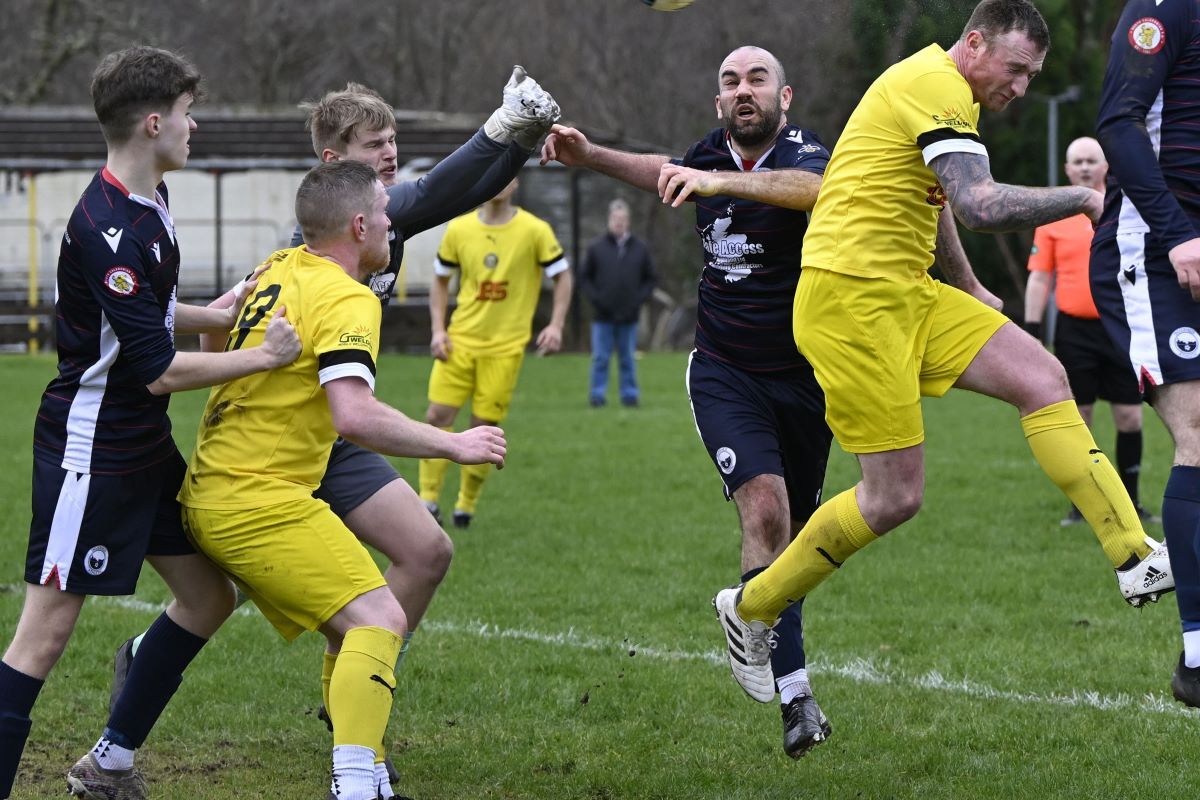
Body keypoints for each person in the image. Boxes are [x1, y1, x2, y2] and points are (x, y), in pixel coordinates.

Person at [710, 0, 1176, 707]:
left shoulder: (952, 96)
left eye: (1032, 75)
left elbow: (934, 203)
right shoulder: (935, 83)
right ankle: (752, 607)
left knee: (1042, 376)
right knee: (894, 497)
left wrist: (971, 287)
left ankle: (1134, 554)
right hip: (850, 303)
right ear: (976, 42)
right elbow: (979, 205)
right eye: (1017, 69)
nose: (1022, 86)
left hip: (907, 292)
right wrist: (1082, 196)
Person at [106, 70, 560, 794]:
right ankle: (329, 733)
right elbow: (434, 194)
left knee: (425, 551)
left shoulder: (358, 223)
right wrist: (503, 130)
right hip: (282, 450)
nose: (389, 158)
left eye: (392, 142)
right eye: (374, 145)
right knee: (219, 601)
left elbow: (446, 195)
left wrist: (519, 141)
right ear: (333, 165)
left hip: (324, 438)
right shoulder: (324, 242)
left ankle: (353, 711)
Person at [0, 46, 302, 800]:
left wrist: (218, 312)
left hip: (141, 446)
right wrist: (261, 358)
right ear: (155, 121)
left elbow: (146, 316)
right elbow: (158, 367)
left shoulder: (150, 204)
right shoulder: (110, 230)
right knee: (44, 635)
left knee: (207, 596)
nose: (196, 125)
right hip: (90, 452)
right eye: (189, 112)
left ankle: (109, 763)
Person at [180, 159, 508, 800]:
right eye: (386, 215)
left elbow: (212, 352)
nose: (394, 225)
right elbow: (353, 416)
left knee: (353, 622)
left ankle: (368, 766)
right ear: (360, 226)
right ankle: (355, 782)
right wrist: (455, 443)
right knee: (380, 619)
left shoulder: (275, 268)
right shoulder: (351, 296)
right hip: (256, 500)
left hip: (218, 486)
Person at [541, 46, 835, 758]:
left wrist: (720, 181)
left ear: (784, 96)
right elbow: (660, 171)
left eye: (757, 80)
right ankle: (796, 696)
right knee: (764, 508)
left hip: (809, 377)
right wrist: (591, 157)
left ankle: (755, 618)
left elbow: (817, 192)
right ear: (718, 101)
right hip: (726, 371)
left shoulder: (807, 152)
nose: (744, 91)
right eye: (731, 82)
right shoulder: (705, 153)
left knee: (797, 535)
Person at [1092, 0, 1200, 707]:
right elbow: (1118, 122)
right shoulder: (1164, 9)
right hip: (1156, 248)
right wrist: (1177, 232)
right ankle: (1197, 659)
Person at [418, 177, 572, 529]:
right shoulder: (459, 229)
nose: (500, 184)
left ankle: (465, 505)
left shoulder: (535, 230)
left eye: (507, 176)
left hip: (505, 349)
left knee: (483, 428)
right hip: (459, 342)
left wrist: (556, 325)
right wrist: (438, 329)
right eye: (494, 177)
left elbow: (562, 276)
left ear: (516, 182)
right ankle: (427, 499)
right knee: (437, 414)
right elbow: (440, 281)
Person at [1024, 136, 1156, 527]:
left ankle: (1131, 502)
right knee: (1078, 419)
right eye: (1076, 161)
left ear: (1106, 167)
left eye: (1091, 160)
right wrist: (1033, 330)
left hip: (1121, 329)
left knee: (1130, 418)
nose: (1083, 167)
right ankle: (1084, 506)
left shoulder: (1126, 211)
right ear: (1067, 170)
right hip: (1072, 333)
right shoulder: (1054, 219)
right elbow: (1039, 279)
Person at [580, 198, 656, 408]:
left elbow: (650, 279)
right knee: (600, 358)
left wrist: (637, 301)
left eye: (622, 219)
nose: (618, 222)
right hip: (602, 316)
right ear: (609, 220)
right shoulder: (596, 248)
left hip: (629, 315)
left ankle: (630, 396)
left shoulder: (640, 248)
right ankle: (597, 396)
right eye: (615, 218)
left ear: (628, 221)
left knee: (627, 359)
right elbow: (584, 278)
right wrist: (597, 299)